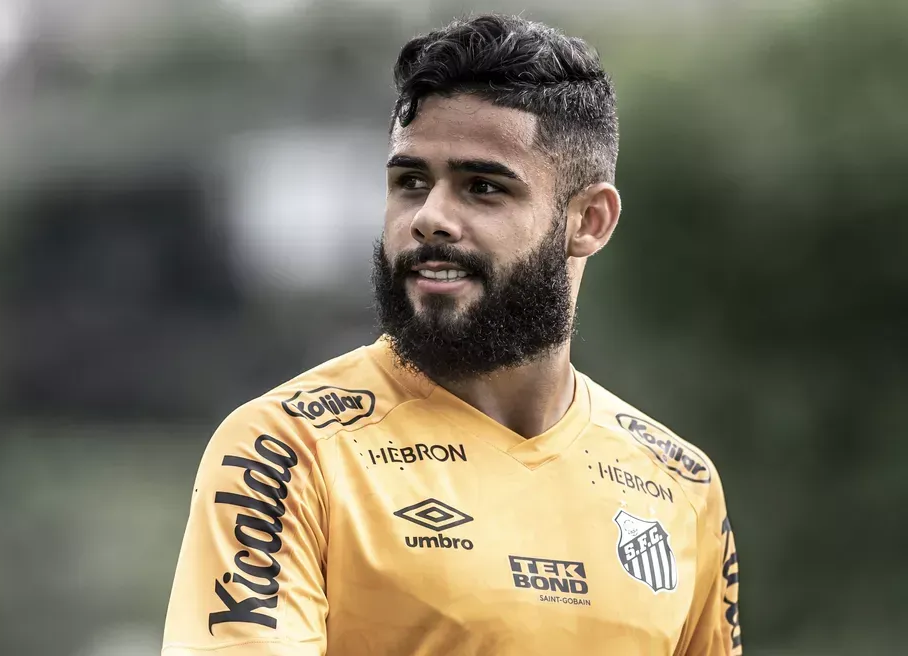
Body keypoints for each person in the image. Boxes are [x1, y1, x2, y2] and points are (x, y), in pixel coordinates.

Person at [161, 13, 742, 656]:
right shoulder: (287, 449)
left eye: (483, 188)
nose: (430, 217)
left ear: (590, 221)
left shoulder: (680, 485)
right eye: (410, 182)